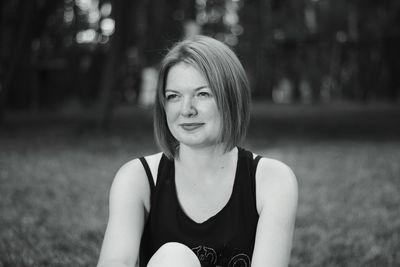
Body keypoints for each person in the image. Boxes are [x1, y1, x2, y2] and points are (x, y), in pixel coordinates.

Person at [97, 35, 298, 267]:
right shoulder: (137, 178)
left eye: (202, 94)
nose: (186, 109)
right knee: (174, 258)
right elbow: (116, 261)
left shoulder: (272, 180)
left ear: (231, 98)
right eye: (173, 96)